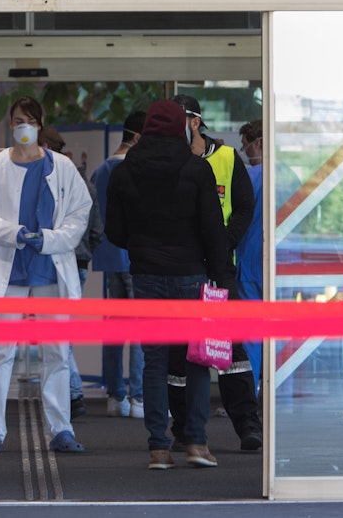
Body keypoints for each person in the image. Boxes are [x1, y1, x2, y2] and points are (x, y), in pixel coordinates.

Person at [104, 98, 231, 470]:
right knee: (195, 362)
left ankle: (159, 448)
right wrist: (220, 278)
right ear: (180, 127)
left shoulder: (124, 173)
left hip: (145, 276)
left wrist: (143, 248)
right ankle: (196, 442)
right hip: (192, 276)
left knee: (154, 363)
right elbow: (213, 230)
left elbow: (115, 231)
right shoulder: (196, 170)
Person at [0, 96, 92, 455]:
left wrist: (50, 239)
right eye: (17, 120)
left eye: (29, 120)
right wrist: (14, 233)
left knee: (56, 352)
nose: (23, 126)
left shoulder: (63, 167)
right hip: (9, 272)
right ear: (10, 124)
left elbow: (79, 214)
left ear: (40, 124)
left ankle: (61, 429)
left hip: (49, 270)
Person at [171, 94, 262, 452]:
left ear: (195, 122)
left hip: (219, 269)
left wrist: (223, 243)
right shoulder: (171, 160)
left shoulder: (226, 158)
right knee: (180, 356)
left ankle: (248, 426)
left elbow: (244, 206)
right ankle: (184, 429)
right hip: (183, 269)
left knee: (231, 352)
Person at [38, 126, 103, 420]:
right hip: (78, 263)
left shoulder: (51, 180)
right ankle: (69, 393)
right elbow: (97, 228)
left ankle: (73, 393)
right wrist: (84, 252)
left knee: (56, 332)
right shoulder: (84, 182)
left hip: (57, 262)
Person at [90, 110, 146, 419]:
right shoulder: (136, 170)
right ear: (138, 138)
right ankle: (138, 396)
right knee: (139, 328)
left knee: (114, 327)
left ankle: (115, 395)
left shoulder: (100, 170)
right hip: (135, 255)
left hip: (109, 254)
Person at [236, 119, 264, 383]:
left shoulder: (248, 177)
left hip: (249, 265)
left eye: (245, 147)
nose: (245, 153)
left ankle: (250, 392)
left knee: (252, 334)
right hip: (281, 267)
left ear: (258, 143)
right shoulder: (290, 175)